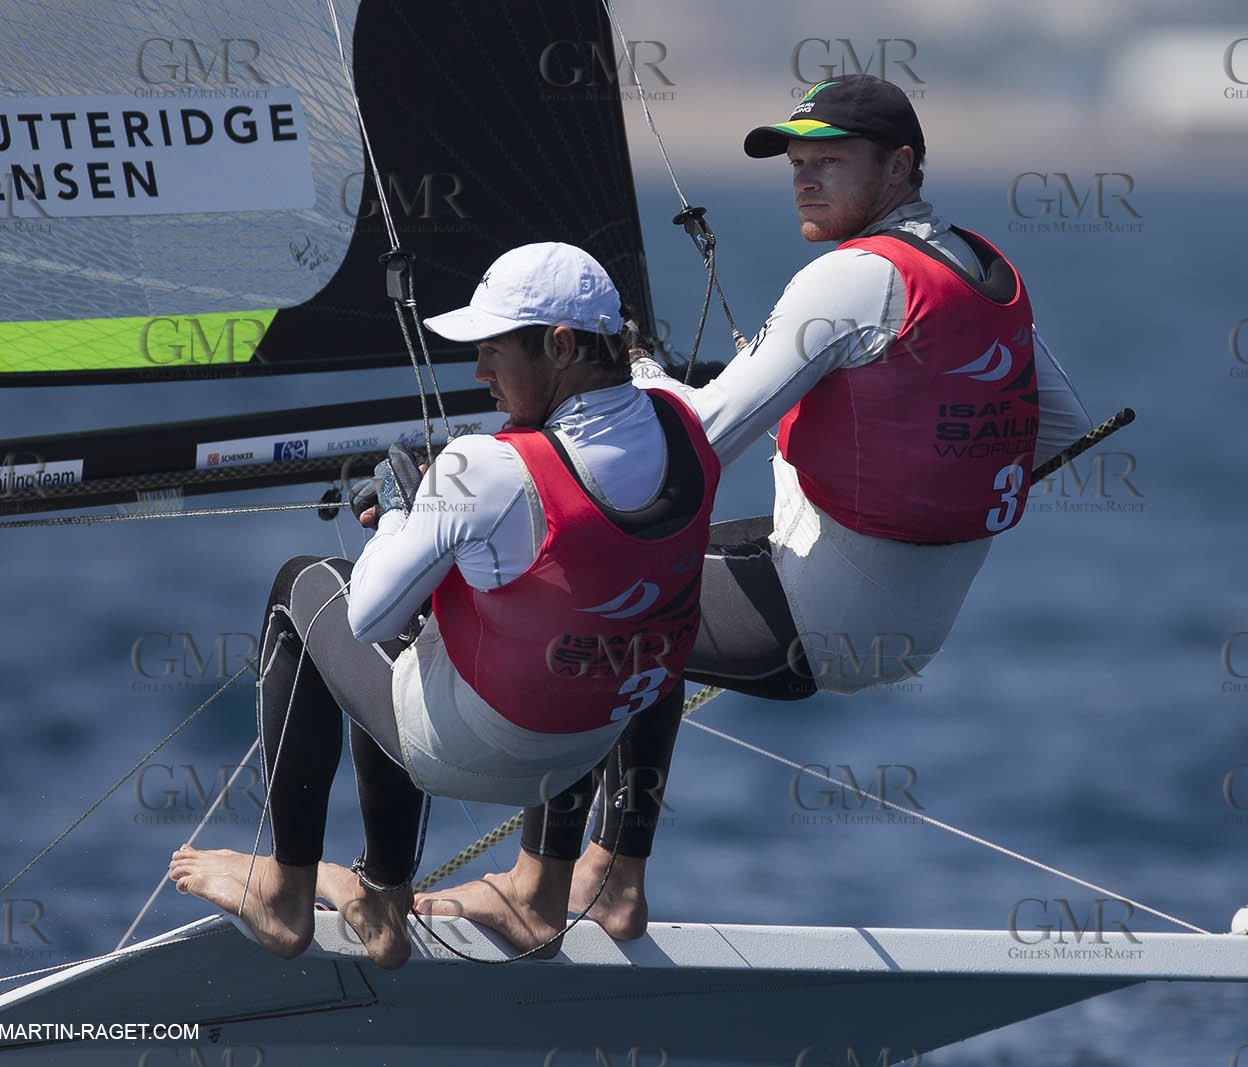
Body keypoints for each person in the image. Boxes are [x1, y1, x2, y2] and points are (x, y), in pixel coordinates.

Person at [418, 75, 1094, 949]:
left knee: (597, 596)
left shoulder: (851, 279)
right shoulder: (985, 269)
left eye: (830, 161)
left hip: (823, 618)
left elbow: (698, 440)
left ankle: (540, 888)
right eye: (797, 162)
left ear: (900, 166)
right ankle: (613, 878)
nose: (805, 178)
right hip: (916, 618)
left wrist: (636, 375)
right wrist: (929, 487)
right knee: (654, 575)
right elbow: (1060, 426)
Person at [169, 242, 719, 968]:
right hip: (586, 749)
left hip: (472, 753)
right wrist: (443, 514)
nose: (479, 372)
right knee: (614, 605)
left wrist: (403, 510)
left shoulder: (481, 466)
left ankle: (296, 893)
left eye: (492, 350)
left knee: (305, 586)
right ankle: (524, 888)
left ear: (560, 346)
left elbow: (370, 617)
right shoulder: (687, 420)